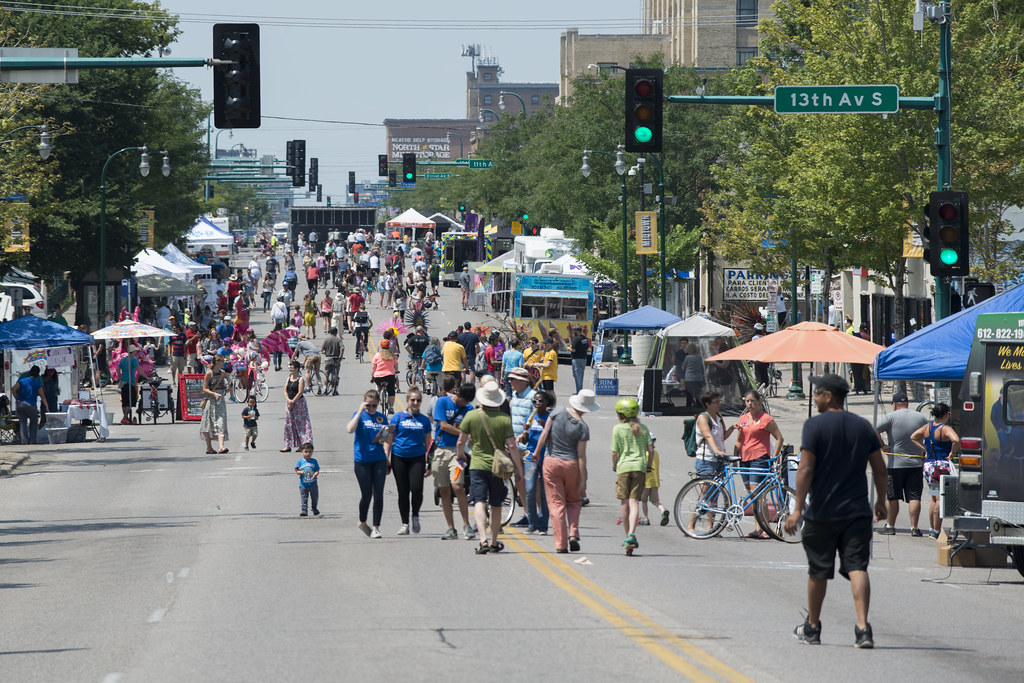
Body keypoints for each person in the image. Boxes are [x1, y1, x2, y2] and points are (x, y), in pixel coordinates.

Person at [787, 373, 887, 649]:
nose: (815, 398)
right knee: (858, 568)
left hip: (823, 512)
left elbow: (805, 469)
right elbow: (880, 469)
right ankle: (863, 628)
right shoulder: (863, 427)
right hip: (857, 512)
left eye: (817, 393)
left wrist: (797, 509)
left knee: (818, 570)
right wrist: (881, 501)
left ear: (828, 396)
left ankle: (813, 627)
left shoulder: (814, 426)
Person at [456, 381, 521, 554]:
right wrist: (519, 470)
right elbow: (512, 446)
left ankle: (482, 539)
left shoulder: (472, 416)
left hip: (477, 465)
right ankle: (493, 541)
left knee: (479, 501)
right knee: (496, 504)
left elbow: (461, 441)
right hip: (497, 467)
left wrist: (460, 455)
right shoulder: (504, 419)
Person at [536, 389, 599, 553]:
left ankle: (560, 544)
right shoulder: (583, 426)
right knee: (574, 501)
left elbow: (544, 434)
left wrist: (536, 453)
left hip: (551, 462)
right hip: (571, 464)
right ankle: (573, 533)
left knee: (556, 504)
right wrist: (583, 480)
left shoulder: (557, 412)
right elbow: (581, 455)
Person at [875, 392, 929, 536]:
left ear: (894, 404)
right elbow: (928, 434)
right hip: (915, 464)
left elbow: (874, 430)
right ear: (907, 403)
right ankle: (914, 528)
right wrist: (925, 451)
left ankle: (890, 526)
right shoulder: (921, 417)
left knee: (893, 497)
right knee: (914, 497)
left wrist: (882, 445)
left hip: (895, 465)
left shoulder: (890, 417)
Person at [734, 390, 785, 538]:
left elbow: (779, 438)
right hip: (744, 459)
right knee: (752, 496)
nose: (750, 404)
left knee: (757, 494)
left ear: (759, 402)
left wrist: (774, 457)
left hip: (759, 458)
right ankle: (758, 528)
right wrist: (735, 456)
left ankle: (765, 528)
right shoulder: (743, 418)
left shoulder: (766, 419)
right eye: (747, 401)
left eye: (753, 401)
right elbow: (739, 440)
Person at [430, 379, 476, 540]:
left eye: (468, 402)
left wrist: (466, 435)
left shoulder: (469, 408)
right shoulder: (443, 402)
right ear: (457, 394)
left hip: (458, 453)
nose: (465, 404)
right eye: (463, 401)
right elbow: (443, 425)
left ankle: (466, 525)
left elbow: (471, 430)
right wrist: (464, 433)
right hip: (440, 451)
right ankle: (451, 528)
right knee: (444, 490)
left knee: (458, 486)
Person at [385, 388, 433, 535]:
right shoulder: (397, 417)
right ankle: (405, 523)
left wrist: (429, 463)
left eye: (418, 400)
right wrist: (385, 457)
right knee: (403, 491)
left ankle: (415, 515)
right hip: (399, 457)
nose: (415, 402)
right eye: (413, 400)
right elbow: (388, 439)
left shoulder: (424, 420)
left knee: (417, 489)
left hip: (417, 458)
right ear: (407, 401)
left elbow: (428, 443)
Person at [910, 403, 960, 539]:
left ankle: (932, 528)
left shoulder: (927, 427)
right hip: (941, 466)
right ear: (946, 415)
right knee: (940, 499)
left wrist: (925, 449)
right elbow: (956, 440)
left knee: (933, 497)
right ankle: (936, 531)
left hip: (929, 466)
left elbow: (913, 437)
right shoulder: (945, 429)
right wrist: (952, 453)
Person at [346, 389, 390, 539]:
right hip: (362, 461)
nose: (371, 408)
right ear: (364, 404)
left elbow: (387, 439)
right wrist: (360, 412)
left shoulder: (381, 418)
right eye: (368, 405)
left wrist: (387, 455)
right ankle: (363, 522)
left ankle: (376, 527)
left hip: (379, 460)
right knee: (366, 495)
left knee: (378, 494)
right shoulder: (359, 415)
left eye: (374, 406)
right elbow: (349, 429)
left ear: (378, 404)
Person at [611, 397, 653, 552]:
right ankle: (631, 533)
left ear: (620, 415)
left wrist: (614, 466)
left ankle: (626, 536)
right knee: (634, 501)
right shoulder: (644, 428)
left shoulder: (618, 429)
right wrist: (648, 465)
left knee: (624, 502)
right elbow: (651, 450)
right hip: (639, 467)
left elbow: (615, 452)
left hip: (623, 468)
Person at [520, 387, 554, 534]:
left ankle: (542, 525)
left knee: (545, 493)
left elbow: (553, 438)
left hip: (546, 457)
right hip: (530, 458)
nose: (537, 404)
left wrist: (544, 427)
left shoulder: (551, 418)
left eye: (540, 401)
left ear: (547, 402)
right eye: (535, 401)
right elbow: (525, 441)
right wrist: (525, 431)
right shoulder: (530, 416)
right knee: (530, 489)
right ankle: (532, 522)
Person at [280, 360, 313, 453]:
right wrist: (288, 400)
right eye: (290, 367)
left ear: (297, 369)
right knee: (288, 424)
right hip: (289, 403)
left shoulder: (300, 379)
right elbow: (285, 391)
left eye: (292, 368)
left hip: (299, 404)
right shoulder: (288, 378)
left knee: (301, 424)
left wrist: (293, 401)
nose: (290, 369)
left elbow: (300, 392)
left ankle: (303, 445)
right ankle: (288, 445)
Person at [200, 354, 230, 454]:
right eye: (222, 361)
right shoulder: (209, 373)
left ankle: (221, 447)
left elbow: (228, 382)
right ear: (216, 362)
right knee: (208, 424)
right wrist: (214, 394)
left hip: (220, 401)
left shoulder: (223, 373)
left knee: (221, 422)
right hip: (211, 401)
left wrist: (227, 387)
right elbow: (204, 389)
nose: (224, 363)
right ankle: (209, 448)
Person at [12, 365, 48, 445]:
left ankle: (24, 442)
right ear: (37, 375)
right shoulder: (37, 383)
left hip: (20, 404)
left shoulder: (22, 381)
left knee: (23, 423)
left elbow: (13, 389)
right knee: (34, 422)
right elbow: (42, 396)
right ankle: (32, 441)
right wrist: (47, 407)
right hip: (31, 405)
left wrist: (17, 398)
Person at [640, 436, 669, 527]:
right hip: (655, 481)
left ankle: (646, 518)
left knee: (644, 500)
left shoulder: (643, 454)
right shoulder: (655, 453)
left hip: (645, 481)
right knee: (655, 501)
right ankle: (663, 510)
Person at [117, 345, 149, 425]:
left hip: (123, 382)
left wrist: (120, 376)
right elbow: (139, 369)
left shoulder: (123, 359)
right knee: (131, 400)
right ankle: (125, 417)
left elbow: (117, 368)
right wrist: (146, 377)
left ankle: (125, 417)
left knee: (124, 401)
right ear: (133, 352)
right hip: (130, 382)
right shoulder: (133, 359)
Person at [370, 339, 399, 411]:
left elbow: (374, 367)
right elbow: (395, 365)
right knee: (391, 391)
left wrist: (372, 376)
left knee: (378, 386)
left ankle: (378, 396)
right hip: (390, 376)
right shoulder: (392, 355)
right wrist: (396, 370)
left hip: (378, 377)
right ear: (389, 346)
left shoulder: (377, 355)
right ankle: (391, 407)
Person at [295, 442, 320, 516]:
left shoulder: (314, 461)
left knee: (314, 497)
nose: (307, 454)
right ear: (302, 452)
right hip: (303, 484)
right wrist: (300, 472)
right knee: (304, 498)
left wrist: (315, 475)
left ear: (312, 452)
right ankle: (304, 510)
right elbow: (296, 470)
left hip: (313, 483)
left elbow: (317, 470)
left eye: (310, 452)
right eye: (305, 452)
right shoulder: (300, 462)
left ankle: (314, 508)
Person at [681, 343, 706, 409]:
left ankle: (689, 407)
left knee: (689, 394)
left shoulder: (687, 357)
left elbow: (683, 367)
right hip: (698, 378)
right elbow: (702, 368)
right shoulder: (700, 357)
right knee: (697, 393)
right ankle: (698, 406)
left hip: (689, 378)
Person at [320, 327, 344, 395]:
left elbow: (322, 349)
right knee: (336, 375)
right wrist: (341, 356)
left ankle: (325, 389)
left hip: (328, 358)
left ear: (330, 332)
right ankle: (336, 390)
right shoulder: (338, 340)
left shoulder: (326, 340)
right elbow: (342, 348)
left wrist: (325, 353)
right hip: (336, 358)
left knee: (326, 374)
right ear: (336, 332)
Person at [569, 326, 590, 394]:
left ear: (577, 331)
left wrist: (568, 348)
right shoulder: (585, 338)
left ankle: (579, 391)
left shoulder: (576, 339)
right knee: (581, 375)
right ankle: (580, 390)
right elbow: (587, 347)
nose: (573, 333)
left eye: (574, 331)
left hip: (577, 359)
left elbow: (573, 350)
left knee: (577, 376)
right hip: (584, 358)